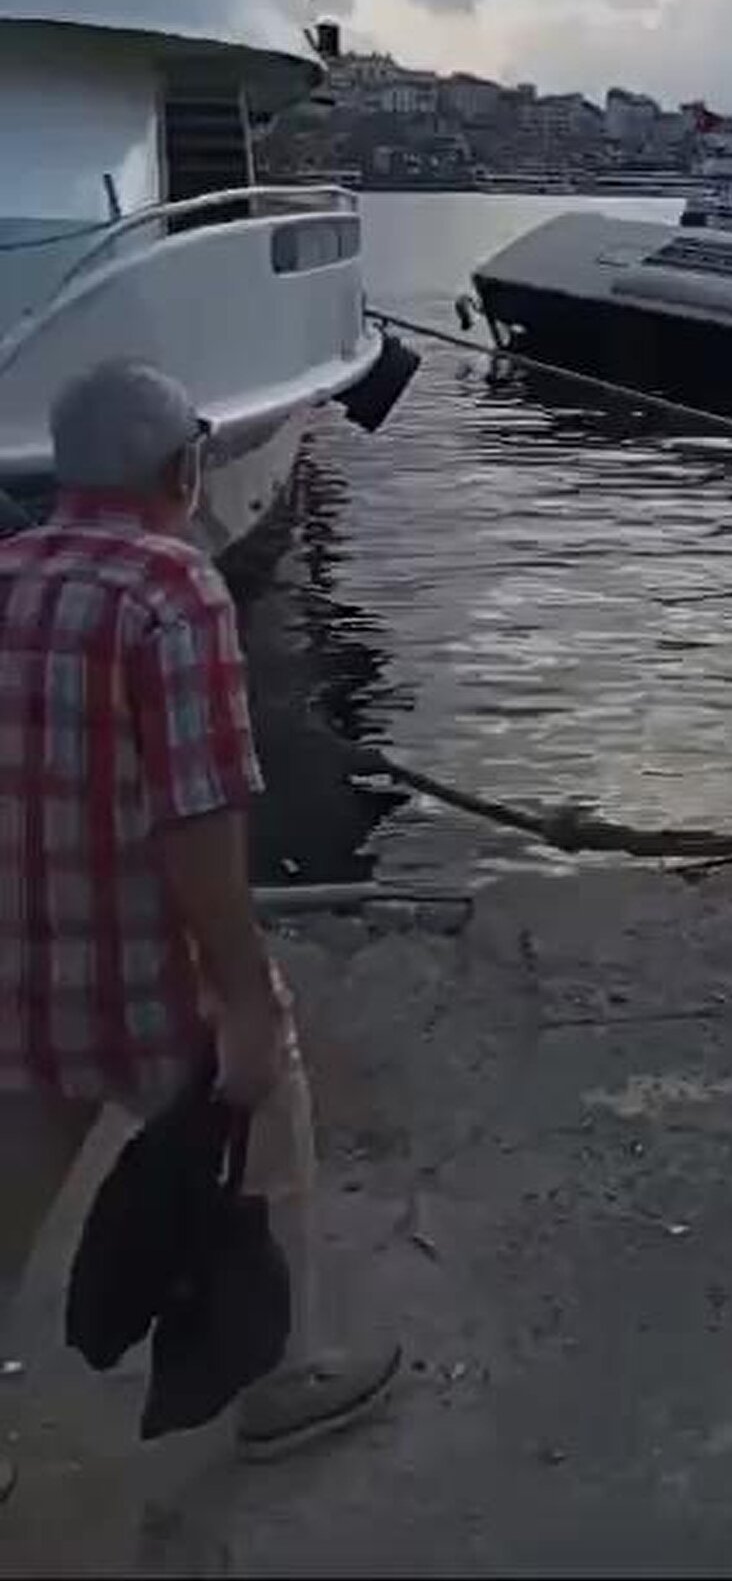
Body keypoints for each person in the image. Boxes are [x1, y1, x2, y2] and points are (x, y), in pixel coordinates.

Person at [0, 359, 399, 1494]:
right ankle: (284, 1380)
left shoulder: (6, 574)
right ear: (182, 470)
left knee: (7, 1193)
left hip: (18, 963)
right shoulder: (172, 590)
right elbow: (200, 816)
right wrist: (240, 999)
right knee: (271, 1128)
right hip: (148, 976)